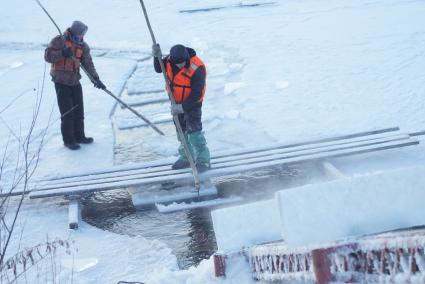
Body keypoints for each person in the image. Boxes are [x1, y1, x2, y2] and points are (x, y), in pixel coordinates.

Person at [44, 20, 106, 150]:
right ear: (72, 32)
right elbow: (48, 56)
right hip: (61, 82)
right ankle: (69, 140)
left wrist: (96, 79)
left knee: (79, 111)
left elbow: (88, 63)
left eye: (82, 36)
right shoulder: (59, 41)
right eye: (78, 36)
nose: (80, 39)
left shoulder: (83, 46)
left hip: (74, 81)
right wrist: (62, 53)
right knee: (67, 113)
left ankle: (80, 137)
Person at [153, 44, 211, 173]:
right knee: (181, 133)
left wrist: (183, 107)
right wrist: (156, 57)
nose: (180, 66)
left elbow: (197, 93)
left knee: (194, 133)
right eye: (177, 63)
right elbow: (159, 69)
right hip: (175, 103)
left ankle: (203, 160)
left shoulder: (197, 67)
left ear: (186, 58)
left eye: (182, 63)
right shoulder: (170, 60)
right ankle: (186, 157)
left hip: (192, 105)